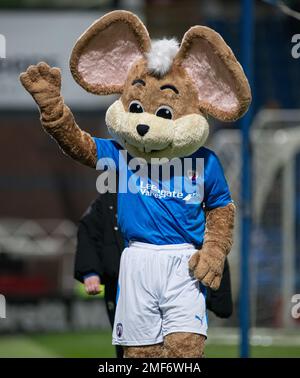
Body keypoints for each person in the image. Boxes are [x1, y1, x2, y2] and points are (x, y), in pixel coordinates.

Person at [74, 192, 233, 358]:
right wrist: (89, 271)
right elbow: (89, 232)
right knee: (135, 349)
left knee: (183, 348)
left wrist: (220, 295)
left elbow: (210, 237)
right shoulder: (108, 200)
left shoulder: (183, 193)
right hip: (127, 284)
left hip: (182, 281)